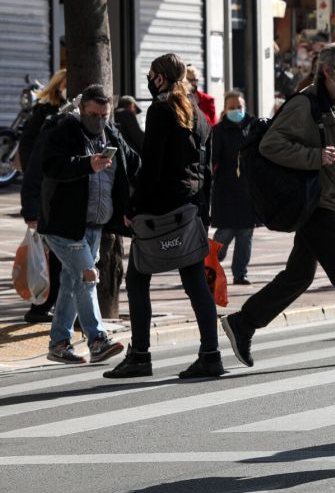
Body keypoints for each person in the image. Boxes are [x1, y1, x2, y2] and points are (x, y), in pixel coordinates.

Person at [219, 42, 335, 367]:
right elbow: (272, 144)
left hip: (328, 202)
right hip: (314, 205)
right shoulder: (305, 105)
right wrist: (314, 157)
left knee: (299, 275)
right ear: (327, 71)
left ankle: (242, 324)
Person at [101, 56, 226, 379]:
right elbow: (206, 172)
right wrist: (205, 214)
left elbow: (152, 167)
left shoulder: (161, 111)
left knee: (137, 279)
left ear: (160, 78)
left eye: (150, 74)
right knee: (196, 283)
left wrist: (133, 208)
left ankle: (140, 355)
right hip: (190, 209)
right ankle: (211, 354)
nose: (148, 78)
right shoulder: (199, 116)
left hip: (160, 209)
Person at [36, 85, 131, 366]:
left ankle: (59, 343)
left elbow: (129, 164)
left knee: (72, 281)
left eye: (104, 115)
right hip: (64, 224)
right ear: (82, 110)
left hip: (94, 225)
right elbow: (51, 167)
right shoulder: (63, 131)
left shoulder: (110, 133)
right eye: (93, 114)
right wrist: (86, 165)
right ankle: (97, 339)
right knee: (88, 275)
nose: (99, 120)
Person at [19, 69, 68, 325]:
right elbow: (28, 147)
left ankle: (46, 306)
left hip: (51, 193)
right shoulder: (46, 113)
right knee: (51, 258)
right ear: (58, 86)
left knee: (55, 258)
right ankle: (42, 306)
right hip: (44, 193)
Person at [211, 89, 257, 286]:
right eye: (232, 107)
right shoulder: (219, 130)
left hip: (249, 190)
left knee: (245, 235)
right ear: (225, 109)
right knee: (225, 232)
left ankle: (240, 273)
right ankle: (210, 265)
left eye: (239, 107)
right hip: (226, 189)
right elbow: (214, 160)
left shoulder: (254, 127)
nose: (236, 110)